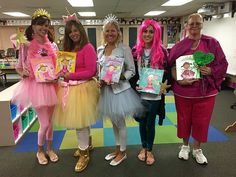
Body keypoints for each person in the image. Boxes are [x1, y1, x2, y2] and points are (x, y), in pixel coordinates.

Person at [168, 13, 228, 165]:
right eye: (191, 24)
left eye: (197, 24)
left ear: (202, 25)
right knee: (183, 120)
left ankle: (197, 149)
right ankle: (185, 146)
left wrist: (211, 71)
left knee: (202, 121)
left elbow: (222, 63)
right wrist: (179, 79)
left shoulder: (212, 43)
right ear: (186, 26)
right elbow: (171, 66)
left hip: (205, 93)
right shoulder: (179, 46)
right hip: (184, 93)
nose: (194, 27)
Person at [52, 14, 99, 172]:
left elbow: (91, 70)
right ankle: (87, 144)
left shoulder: (88, 47)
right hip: (69, 89)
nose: (73, 34)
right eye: (70, 32)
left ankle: (84, 153)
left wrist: (70, 75)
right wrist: (60, 72)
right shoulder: (68, 49)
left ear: (80, 30)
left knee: (80, 123)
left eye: (75, 30)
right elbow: (65, 68)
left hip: (83, 89)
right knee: (81, 122)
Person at [12, 9, 59, 165]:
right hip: (36, 87)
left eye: (46, 25)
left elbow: (57, 66)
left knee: (50, 122)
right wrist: (23, 72)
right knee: (44, 123)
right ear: (33, 26)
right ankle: (39, 151)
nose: (44, 28)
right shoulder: (25, 46)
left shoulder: (52, 45)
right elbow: (18, 67)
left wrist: (58, 73)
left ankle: (50, 149)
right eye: (40, 24)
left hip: (52, 86)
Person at [97, 14, 144, 166]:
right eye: (107, 31)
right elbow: (101, 70)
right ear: (103, 33)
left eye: (113, 31)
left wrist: (121, 77)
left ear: (118, 32)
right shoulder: (101, 49)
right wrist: (100, 80)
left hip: (120, 91)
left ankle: (122, 152)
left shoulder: (124, 48)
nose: (110, 33)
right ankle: (117, 149)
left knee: (121, 123)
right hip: (106, 91)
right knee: (114, 123)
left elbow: (132, 70)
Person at [132, 19, 168, 165]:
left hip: (155, 95)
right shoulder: (135, 51)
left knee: (150, 123)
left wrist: (162, 86)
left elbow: (166, 73)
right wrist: (135, 85)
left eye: (151, 32)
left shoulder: (162, 51)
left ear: (156, 34)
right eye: (145, 31)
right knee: (141, 122)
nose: (148, 34)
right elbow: (133, 73)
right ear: (141, 33)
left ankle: (150, 149)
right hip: (141, 93)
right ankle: (143, 148)